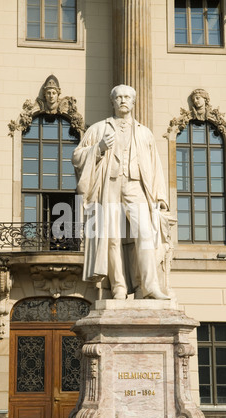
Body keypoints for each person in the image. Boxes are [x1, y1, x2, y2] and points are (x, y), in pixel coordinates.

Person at [73, 84, 170, 300]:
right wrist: (98, 148)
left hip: (136, 186)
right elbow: (77, 156)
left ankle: (149, 286)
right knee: (112, 238)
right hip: (110, 184)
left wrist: (161, 197)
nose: (123, 100)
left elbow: (156, 167)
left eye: (127, 97)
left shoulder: (145, 133)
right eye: (119, 97)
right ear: (113, 101)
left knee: (145, 234)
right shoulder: (98, 129)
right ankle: (118, 286)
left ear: (134, 102)